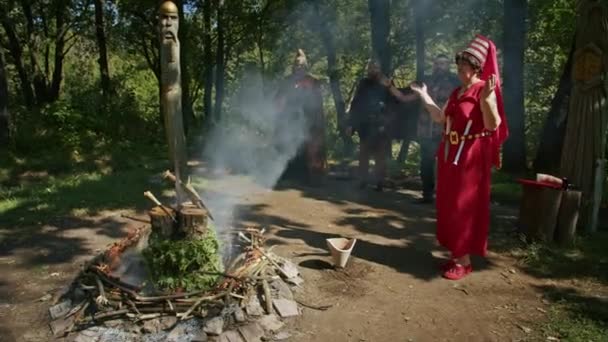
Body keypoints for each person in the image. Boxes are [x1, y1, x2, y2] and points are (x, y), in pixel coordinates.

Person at [384, 35, 508, 280]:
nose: (460, 71)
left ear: (476, 69)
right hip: (451, 154)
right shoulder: (457, 91)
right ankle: (456, 254)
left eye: (464, 68)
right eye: (459, 67)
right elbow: (441, 118)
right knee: (449, 204)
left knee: (463, 205)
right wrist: (424, 95)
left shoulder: (484, 89)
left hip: (471, 157)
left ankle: (464, 261)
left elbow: (494, 124)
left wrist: (486, 102)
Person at [346, 60, 416, 191]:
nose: (373, 70)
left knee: (380, 156)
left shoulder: (387, 83)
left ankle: (379, 182)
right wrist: (351, 124)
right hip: (365, 125)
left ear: (380, 69)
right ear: (368, 69)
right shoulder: (363, 83)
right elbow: (356, 104)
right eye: (371, 67)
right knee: (364, 154)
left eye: (376, 67)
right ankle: (363, 181)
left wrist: (388, 122)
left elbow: (395, 102)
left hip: (381, 125)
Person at [275, 49, 327, 185]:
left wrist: (318, 123)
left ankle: (312, 177)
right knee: (287, 145)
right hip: (290, 121)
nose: (298, 68)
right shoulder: (287, 82)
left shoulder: (313, 82)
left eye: (301, 65)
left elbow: (318, 104)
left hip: (309, 121)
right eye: (296, 65)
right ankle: (286, 174)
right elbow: (278, 101)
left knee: (310, 148)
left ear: (305, 67)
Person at [414, 54, 460, 204]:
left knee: (446, 164)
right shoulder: (426, 81)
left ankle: (446, 195)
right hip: (426, 129)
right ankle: (427, 194)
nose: (440, 66)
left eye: (444, 64)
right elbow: (409, 97)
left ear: (448, 66)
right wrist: (390, 87)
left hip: (445, 130)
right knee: (426, 163)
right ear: (434, 65)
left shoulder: (455, 82)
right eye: (438, 63)